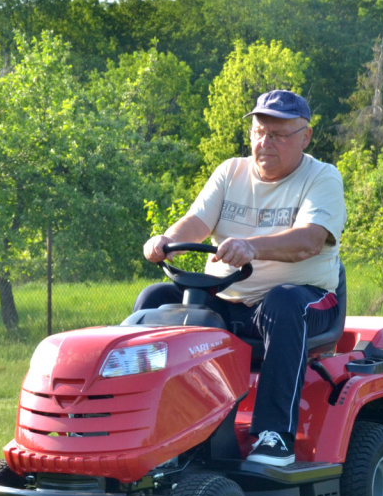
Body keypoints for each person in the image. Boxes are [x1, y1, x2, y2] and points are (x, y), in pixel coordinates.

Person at [141, 89, 346, 467]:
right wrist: (168, 240)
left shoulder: (322, 179)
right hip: (229, 299)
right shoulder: (230, 172)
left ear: (306, 137)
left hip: (306, 301)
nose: (265, 143)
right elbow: (197, 222)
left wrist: (252, 247)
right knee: (154, 301)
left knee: (283, 302)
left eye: (278, 135)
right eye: (259, 132)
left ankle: (274, 436)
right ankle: (149, 426)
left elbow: (310, 241)